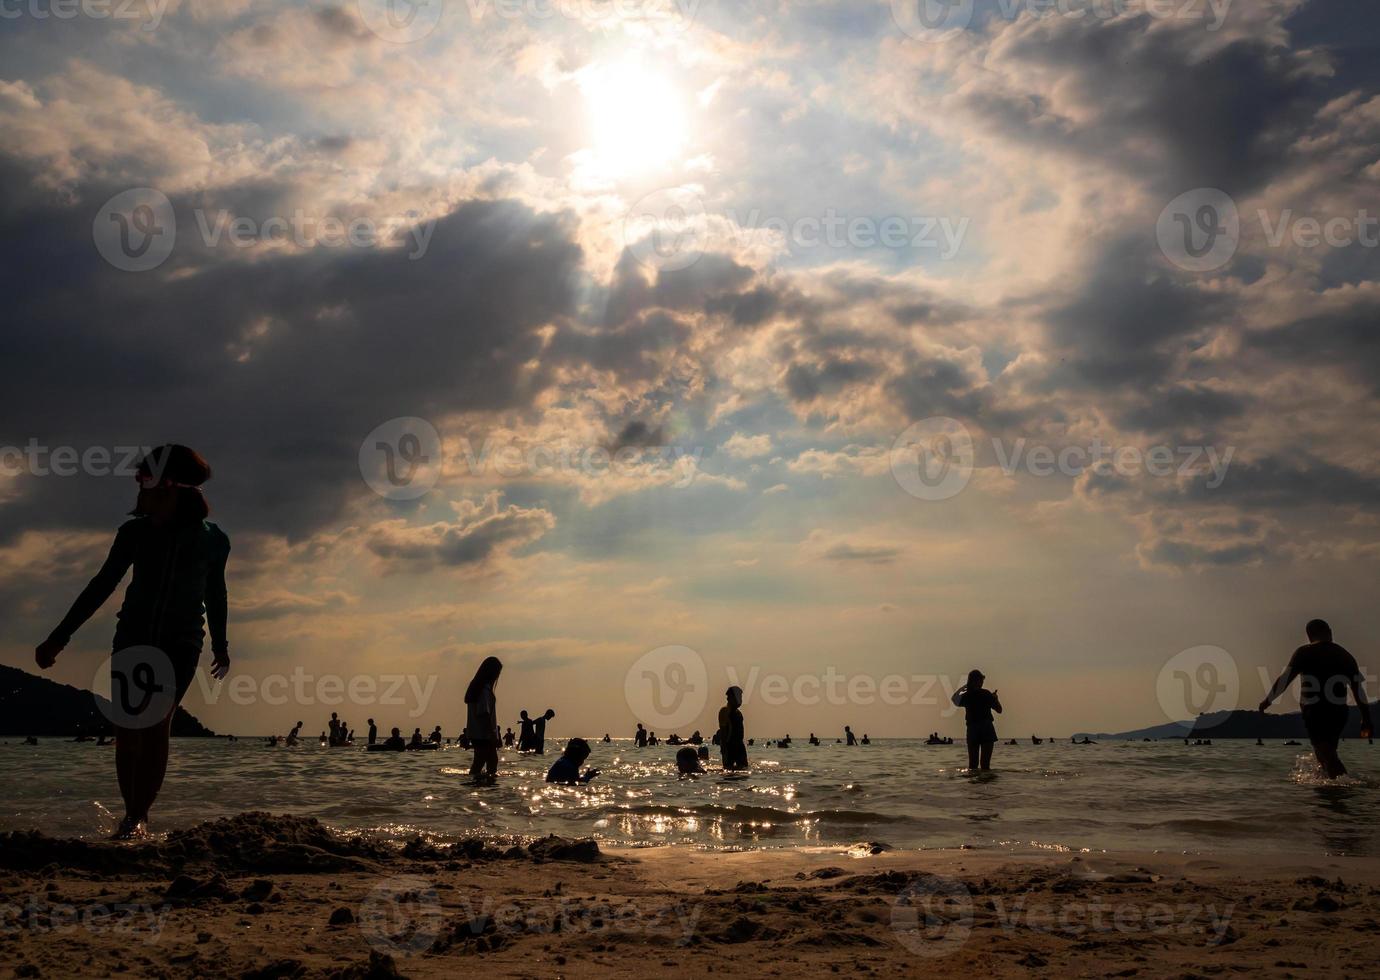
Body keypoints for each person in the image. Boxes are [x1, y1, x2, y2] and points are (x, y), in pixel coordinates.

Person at [34, 445, 230, 840]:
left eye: (143, 479)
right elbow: (102, 585)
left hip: (181, 642)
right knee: (127, 727)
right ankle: (131, 815)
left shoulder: (213, 540)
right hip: (133, 638)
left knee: (157, 724)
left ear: (168, 486)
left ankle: (137, 818)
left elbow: (216, 593)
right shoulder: (134, 534)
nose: (137, 488)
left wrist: (221, 645)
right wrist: (59, 636)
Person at [1260, 619, 1373, 779]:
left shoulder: (1304, 652)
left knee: (1327, 755)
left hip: (1315, 711)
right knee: (1326, 755)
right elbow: (1358, 691)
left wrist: (1268, 700)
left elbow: (1285, 679)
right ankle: (1329, 797)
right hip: (1339, 712)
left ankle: (1348, 788)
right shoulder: (1345, 655)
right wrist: (1366, 719)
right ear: (1329, 631)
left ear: (1309, 635)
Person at [951, 669, 1002, 771]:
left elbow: (954, 699)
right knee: (985, 765)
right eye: (981, 680)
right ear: (978, 681)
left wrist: (965, 687)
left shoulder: (967, 696)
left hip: (973, 729)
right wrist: (995, 698)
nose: (982, 683)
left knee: (973, 765)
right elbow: (999, 710)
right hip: (986, 728)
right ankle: (985, 784)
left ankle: (973, 786)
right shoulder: (986, 694)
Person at [464, 656, 503, 783]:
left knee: (480, 761)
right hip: (483, 734)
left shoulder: (476, 687)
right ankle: (488, 786)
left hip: (476, 732)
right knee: (490, 761)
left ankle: (478, 784)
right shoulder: (484, 690)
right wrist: (492, 734)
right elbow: (484, 714)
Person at [718, 686, 748, 771]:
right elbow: (723, 731)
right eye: (738, 697)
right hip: (729, 746)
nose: (740, 700)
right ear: (730, 698)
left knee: (743, 770)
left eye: (741, 697)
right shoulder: (724, 711)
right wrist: (723, 748)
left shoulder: (739, 713)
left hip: (740, 746)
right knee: (728, 771)